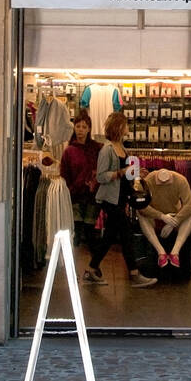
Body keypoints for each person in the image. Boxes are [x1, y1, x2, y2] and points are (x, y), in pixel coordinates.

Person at [84, 112, 156, 288]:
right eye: (125, 125)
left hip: (120, 198)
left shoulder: (122, 148)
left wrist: (137, 173)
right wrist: (120, 173)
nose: (128, 128)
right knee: (126, 235)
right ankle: (134, 273)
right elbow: (101, 176)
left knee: (109, 236)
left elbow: (126, 174)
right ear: (118, 127)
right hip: (110, 199)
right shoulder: (107, 150)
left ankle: (92, 269)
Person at [61, 111, 101, 247]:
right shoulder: (69, 151)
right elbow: (64, 174)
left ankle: (92, 265)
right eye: (78, 126)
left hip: (92, 195)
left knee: (90, 232)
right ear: (74, 128)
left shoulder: (96, 148)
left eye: (84, 127)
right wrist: (70, 191)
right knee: (76, 232)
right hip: (75, 196)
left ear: (89, 129)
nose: (81, 130)